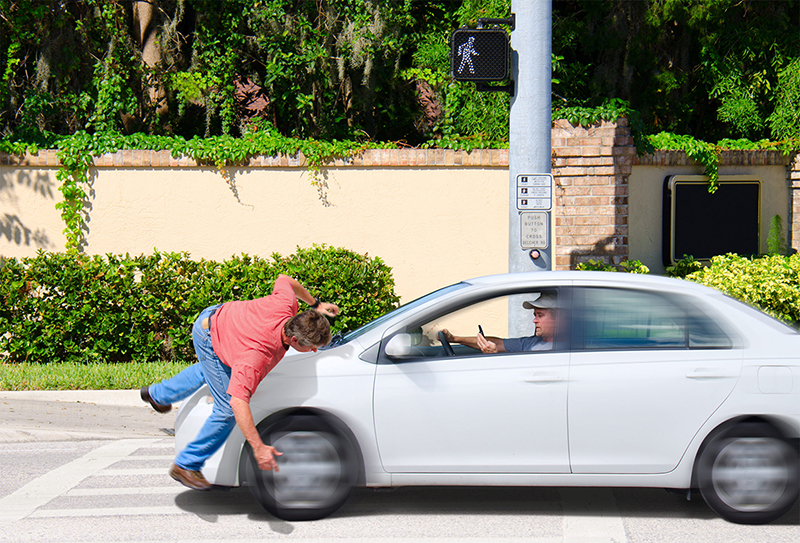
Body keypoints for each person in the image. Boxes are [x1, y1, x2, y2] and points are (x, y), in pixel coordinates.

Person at [140, 274, 339, 491]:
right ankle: (186, 464)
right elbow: (237, 402)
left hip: (221, 318)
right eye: (311, 346)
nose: (314, 351)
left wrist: (316, 304)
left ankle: (157, 394)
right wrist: (258, 447)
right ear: (293, 340)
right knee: (225, 408)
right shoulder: (256, 356)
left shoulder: (286, 305)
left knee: (211, 370)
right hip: (210, 334)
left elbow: (285, 280)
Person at [441, 292, 557, 353]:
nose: (534, 320)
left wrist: (496, 355)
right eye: (535, 315)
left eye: (540, 316)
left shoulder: (564, 349)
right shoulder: (531, 343)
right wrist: (454, 339)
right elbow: (498, 343)